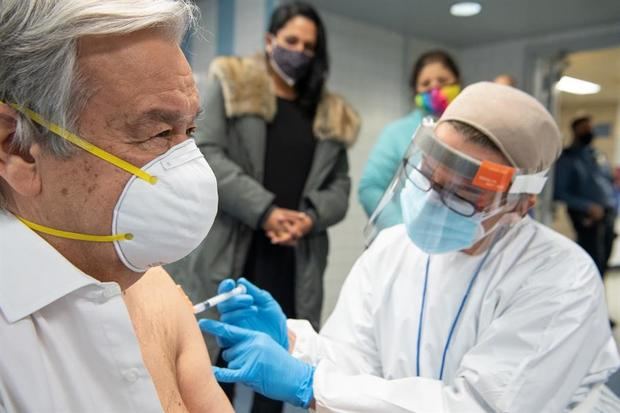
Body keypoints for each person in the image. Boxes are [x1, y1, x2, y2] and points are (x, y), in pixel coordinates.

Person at [201, 83, 620, 412]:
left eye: (463, 193)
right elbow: (356, 362)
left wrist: (310, 385)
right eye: (430, 176)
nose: (434, 198)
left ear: (522, 201)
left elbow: (480, 406)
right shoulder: (393, 247)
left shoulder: (561, 280)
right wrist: (297, 345)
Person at [0, 1, 232, 411]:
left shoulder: (153, 288)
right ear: (18, 149)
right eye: (158, 133)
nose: (189, 169)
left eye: (189, 130)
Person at [165, 2, 359, 412]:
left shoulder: (330, 112)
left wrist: (309, 218)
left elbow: (341, 186)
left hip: (294, 256)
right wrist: (266, 209)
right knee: (210, 359)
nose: (299, 52)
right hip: (232, 245)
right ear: (270, 40)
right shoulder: (232, 83)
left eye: (309, 46)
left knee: (277, 354)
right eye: (291, 41)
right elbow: (207, 152)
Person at [358, 49, 461, 227]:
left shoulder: (470, 134)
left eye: (443, 81)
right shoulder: (396, 133)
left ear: (457, 83)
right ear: (415, 91)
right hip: (405, 242)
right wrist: (401, 231)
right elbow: (370, 188)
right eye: (425, 83)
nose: (435, 88)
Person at [554, 115, 617, 277]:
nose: (589, 131)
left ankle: (599, 294)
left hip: (608, 214)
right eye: (585, 128)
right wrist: (587, 207)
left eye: (591, 128)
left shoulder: (597, 155)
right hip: (586, 217)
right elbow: (559, 192)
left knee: (604, 260)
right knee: (592, 259)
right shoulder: (568, 159)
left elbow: (607, 181)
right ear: (575, 131)